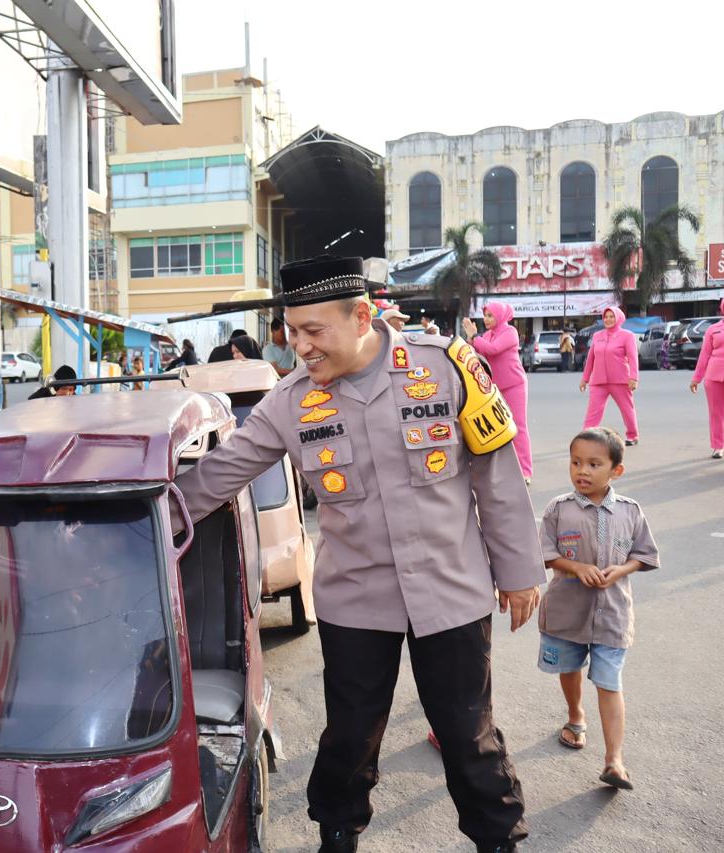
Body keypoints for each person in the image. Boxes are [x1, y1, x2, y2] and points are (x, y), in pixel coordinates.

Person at [173, 255, 544, 853]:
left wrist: (521, 571)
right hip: (355, 602)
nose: (301, 348)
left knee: (466, 731)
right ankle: (338, 832)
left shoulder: (447, 366)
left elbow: (495, 473)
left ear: (362, 315)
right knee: (350, 733)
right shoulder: (291, 400)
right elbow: (220, 474)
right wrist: (132, 520)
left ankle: (497, 839)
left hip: (452, 590)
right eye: (292, 333)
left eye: (314, 331)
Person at [537, 427, 660, 790]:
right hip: (566, 612)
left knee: (609, 683)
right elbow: (544, 554)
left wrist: (621, 570)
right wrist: (576, 567)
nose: (582, 471)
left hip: (613, 615)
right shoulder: (558, 509)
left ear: (615, 471)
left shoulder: (630, 511)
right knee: (569, 667)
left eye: (594, 463)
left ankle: (615, 761)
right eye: (576, 462)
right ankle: (576, 717)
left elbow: (644, 554)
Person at [463, 302, 533, 482]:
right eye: (485, 316)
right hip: (494, 387)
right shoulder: (487, 334)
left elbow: (493, 350)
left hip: (514, 384)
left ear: (500, 316)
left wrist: (474, 336)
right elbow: (476, 351)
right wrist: (470, 340)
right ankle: (502, 469)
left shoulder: (509, 332)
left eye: (490, 316)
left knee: (518, 426)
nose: (486, 319)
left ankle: (525, 471)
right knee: (497, 427)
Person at [580, 307, 640, 446]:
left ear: (618, 318)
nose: (608, 319)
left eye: (611, 316)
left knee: (627, 409)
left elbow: (633, 358)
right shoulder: (597, 336)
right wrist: (585, 379)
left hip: (620, 380)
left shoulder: (627, 335)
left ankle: (632, 435)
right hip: (598, 381)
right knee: (593, 411)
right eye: (606, 317)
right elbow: (591, 359)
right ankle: (587, 436)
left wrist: (634, 377)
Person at [689, 300, 724, 458]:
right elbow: (704, 355)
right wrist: (696, 378)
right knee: (716, 413)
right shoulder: (713, 329)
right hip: (714, 376)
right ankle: (718, 445)